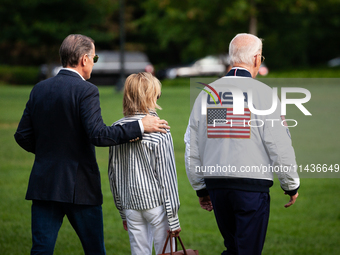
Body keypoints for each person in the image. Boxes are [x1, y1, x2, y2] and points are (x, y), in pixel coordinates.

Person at [14, 34, 170, 255]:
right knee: (95, 250)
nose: (93, 64)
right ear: (84, 59)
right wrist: (140, 126)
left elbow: (22, 135)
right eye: (94, 59)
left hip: (44, 183)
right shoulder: (86, 90)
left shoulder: (39, 88)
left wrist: (49, 152)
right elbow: (99, 135)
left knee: (41, 249)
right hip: (81, 187)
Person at [184, 33, 300, 255]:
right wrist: (290, 183)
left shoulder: (209, 94)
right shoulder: (264, 94)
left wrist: (200, 187)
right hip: (251, 187)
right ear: (257, 58)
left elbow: (193, 144)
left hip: (218, 185)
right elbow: (278, 144)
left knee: (234, 248)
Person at [108, 72, 181, 255]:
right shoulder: (160, 129)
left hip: (130, 204)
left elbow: (113, 175)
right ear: (152, 95)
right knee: (166, 252)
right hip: (156, 206)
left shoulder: (116, 129)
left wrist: (122, 211)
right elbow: (168, 178)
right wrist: (173, 219)